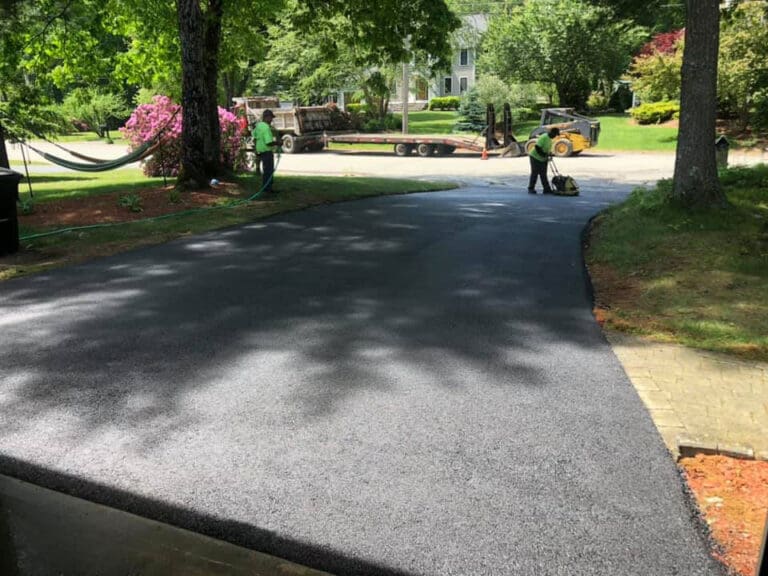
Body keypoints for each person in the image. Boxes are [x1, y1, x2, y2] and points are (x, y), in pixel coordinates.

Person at [252, 109, 281, 196]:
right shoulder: (266, 127)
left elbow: (254, 138)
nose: (272, 120)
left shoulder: (258, 126)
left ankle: (266, 188)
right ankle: (268, 189)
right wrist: (278, 143)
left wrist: (256, 149)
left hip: (260, 151)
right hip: (267, 151)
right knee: (269, 170)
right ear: (266, 117)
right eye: (271, 118)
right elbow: (268, 142)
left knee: (266, 170)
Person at [528, 127, 560, 195]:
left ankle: (546, 189)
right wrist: (543, 155)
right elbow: (537, 147)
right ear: (552, 132)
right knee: (535, 173)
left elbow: (546, 149)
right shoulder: (544, 137)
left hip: (543, 158)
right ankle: (531, 188)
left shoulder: (550, 139)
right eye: (555, 134)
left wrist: (549, 154)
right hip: (535, 157)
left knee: (543, 174)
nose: (555, 136)